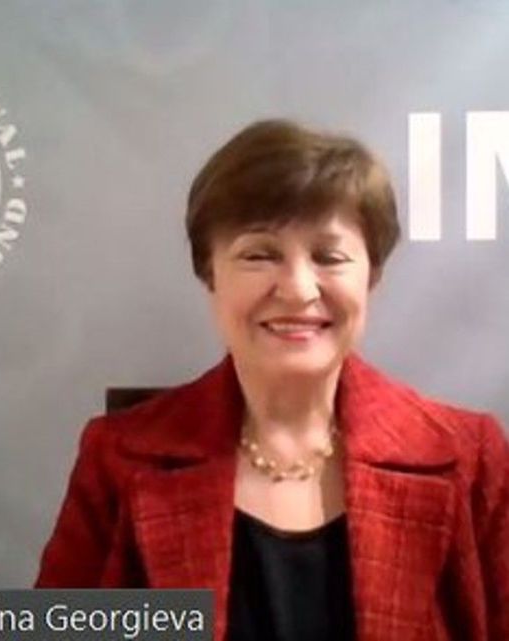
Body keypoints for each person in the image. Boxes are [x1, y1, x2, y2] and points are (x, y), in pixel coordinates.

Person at [36, 120, 509, 641]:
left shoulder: (470, 459)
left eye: (329, 256)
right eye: (259, 254)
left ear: (371, 276)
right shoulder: (118, 458)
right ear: (209, 273)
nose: (298, 289)